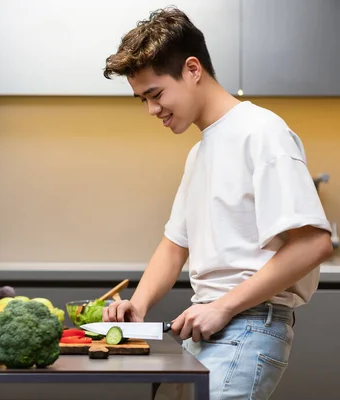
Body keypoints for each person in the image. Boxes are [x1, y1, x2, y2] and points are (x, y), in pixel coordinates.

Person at [101, 7, 333, 399]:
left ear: (192, 69)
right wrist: (137, 305)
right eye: (142, 100)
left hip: (247, 325)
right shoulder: (200, 152)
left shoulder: (261, 132)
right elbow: (175, 244)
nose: (152, 110)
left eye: (155, 94)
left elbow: (314, 243)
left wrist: (223, 306)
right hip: (208, 324)